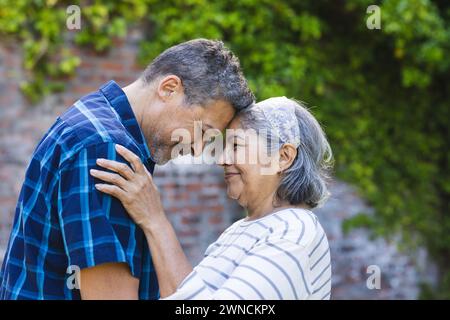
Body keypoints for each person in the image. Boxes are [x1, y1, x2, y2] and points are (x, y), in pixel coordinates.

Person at [0, 39, 254, 300]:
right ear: (169, 88)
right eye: (203, 130)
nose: (198, 148)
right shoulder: (105, 149)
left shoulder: (95, 120)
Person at [90, 97, 334, 299]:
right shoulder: (244, 228)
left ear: (283, 156)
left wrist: (155, 219)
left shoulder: (293, 232)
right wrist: (152, 220)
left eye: (236, 145)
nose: (222, 158)